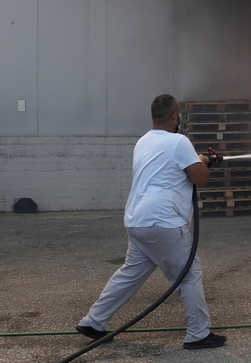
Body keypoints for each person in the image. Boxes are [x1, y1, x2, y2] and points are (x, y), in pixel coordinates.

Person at [76, 94, 226, 350]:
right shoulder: (179, 142)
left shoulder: (143, 141)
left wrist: (198, 160)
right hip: (163, 222)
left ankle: (93, 322)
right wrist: (203, 160)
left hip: (137, 219)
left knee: (131, 272)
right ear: (175, 115)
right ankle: (198, 335)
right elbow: (200, 178)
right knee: (189, 275)